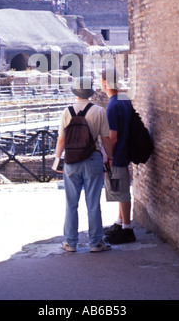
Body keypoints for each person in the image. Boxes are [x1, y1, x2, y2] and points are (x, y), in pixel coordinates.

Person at [55, 76, 114, 252]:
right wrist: (110, 158)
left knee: (71, 203)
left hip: (72, 161)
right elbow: (105, 138)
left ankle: (70, 243)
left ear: (75, 92)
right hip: (92, 159)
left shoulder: (67, 111)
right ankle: (95, 242)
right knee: (93, 202)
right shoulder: (98, 111)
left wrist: (58, 159)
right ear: (90, 92)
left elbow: (61, 140)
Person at [101, 68, 136, 244]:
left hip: (118, 153)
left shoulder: (113, 105)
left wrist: (108, 156)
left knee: (122, 192)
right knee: (121, 189)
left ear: (106, 82)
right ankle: (120, 222)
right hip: (126, 149)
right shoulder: (124, 99)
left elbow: (112, 137)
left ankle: (127, 229)